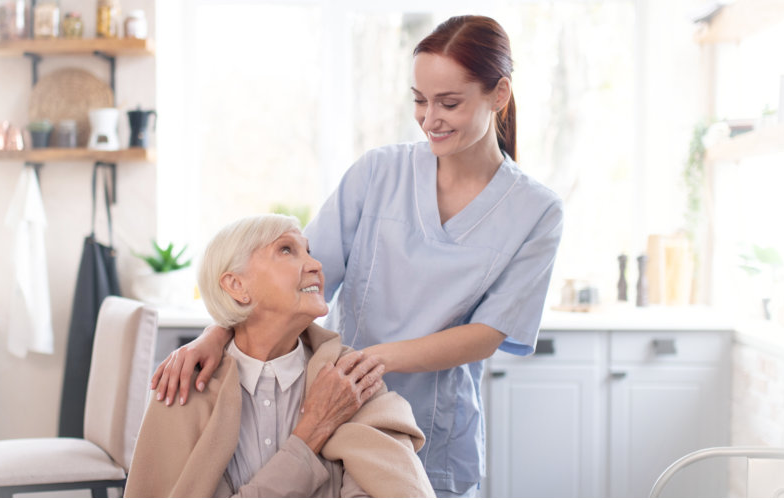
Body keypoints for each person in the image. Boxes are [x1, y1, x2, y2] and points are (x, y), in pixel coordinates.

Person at [149, 15, 563, 497]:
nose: (430, 119)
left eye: (449, 103)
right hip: (342, 416)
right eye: (419, 100)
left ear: (499, 94)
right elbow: (295, 280)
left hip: (437, 431)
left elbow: (488, 334)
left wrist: (369, 362)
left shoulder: (537, 211)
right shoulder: (378, 173)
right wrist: (214, 334)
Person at [125, 215, 434, 498]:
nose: (315, 264)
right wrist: (311, 432)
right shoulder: (183, 390)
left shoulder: (350, 380)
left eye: (309, 251)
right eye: (286, 250)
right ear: (236, 285)